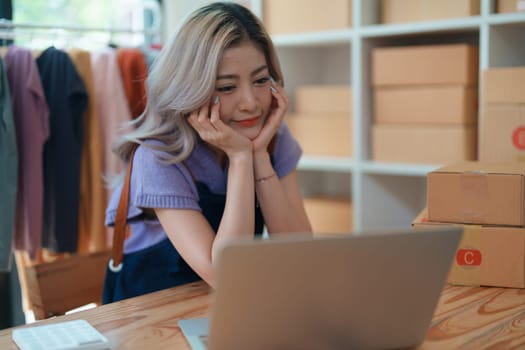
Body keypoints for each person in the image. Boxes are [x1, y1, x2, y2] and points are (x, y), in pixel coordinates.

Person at [103, 1, 312, 303]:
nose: (250, 103)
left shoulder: (273, 138)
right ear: (191, 88)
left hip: (226, 307)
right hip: (150, 315)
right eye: (227, 87)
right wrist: (241, 159)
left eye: (260, 80)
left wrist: (259, 156)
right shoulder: (158, 156)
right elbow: (226, 273)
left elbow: (300, 252)